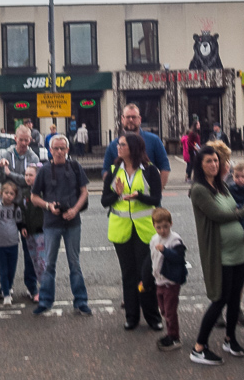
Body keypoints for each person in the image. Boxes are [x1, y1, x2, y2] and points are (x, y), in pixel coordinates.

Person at [189, 145, 244, 365]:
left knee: (235, 298)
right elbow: (218, 215)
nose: (214, 164)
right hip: (222, 254)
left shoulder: (222, 185)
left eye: (216, 161)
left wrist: (243, 211)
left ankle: (230, 338)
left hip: (240, 251)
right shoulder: (199, 190)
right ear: (200, 165)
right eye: (208, 161)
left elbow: (235, 207)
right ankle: (199, 347)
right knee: (220, 300)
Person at [100, 132, 164, 331]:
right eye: (118, 145)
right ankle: (132, 316)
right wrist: (116, 194)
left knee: (146, 275)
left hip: (144, 230)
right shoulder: (113, 171)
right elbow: (104, 201)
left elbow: (156, 200)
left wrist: (138, 196)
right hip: (121, 230)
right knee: (128, 274)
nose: (118, 148)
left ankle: (153, 317)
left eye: (122, 145)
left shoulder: (150, 170)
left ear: (134, 148)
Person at [30, 135, 92, 316]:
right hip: (51, 223)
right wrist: (48, 206)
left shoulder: (75, 166)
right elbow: (34, 197)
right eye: (55, 148)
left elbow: (84, 192)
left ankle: (81, 301)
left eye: (62, 148)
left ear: (67, 150)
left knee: (75, 263)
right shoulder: (44, 170)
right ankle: (45, 301)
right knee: (49, 264)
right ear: (50, 150)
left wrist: (75, 210)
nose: (59, 152)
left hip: (73, 222)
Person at [0, 126, 42, 295]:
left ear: (30, 140)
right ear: (15, 138)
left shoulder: (33, 156)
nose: (23, 143)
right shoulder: (6, 155)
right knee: (6, 252)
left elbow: (29, 181)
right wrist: (2, 169)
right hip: (7, 208)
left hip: (25, 210)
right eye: (21, 139)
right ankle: (5, 286)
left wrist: (10, 173)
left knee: (30, 251)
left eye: (27, 140)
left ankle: (31, 287)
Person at [103, 104, 171, 188]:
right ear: (122, 119)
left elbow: (165, 167)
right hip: (122, 198)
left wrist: (157, 191)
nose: (131, 120)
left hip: (147, 199)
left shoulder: (154, 141)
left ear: (140, 119)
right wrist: (113, 191)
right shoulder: (113, 145)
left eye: (134, 117)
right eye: (128, 117)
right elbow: (106, 171)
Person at [150, 207, 187, 351]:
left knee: (170, 311)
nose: (162, 230)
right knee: (164, 310)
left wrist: (165, 250)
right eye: (158, 227)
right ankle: (170, 331)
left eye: (165, 226)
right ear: (153, 226)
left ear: (171, 224)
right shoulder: (154, 239)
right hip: (158, 280)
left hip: (170, 282)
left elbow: (179, 258)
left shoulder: (175, 240)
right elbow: (152, 259)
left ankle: (174, 337)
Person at [0, 181, 24, 306]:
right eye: (6, 193)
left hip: (13, 242)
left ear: (15, 196)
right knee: (3, 269)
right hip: (0, 243)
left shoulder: (16, 208)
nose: (8, 196)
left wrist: (23, 229)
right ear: (1, 193)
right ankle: (6, 294)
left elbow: (19, 223)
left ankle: (6, 287)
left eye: (11, 194)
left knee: (12, 268)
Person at [20, 165, 46, 302]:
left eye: (31, 175)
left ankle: (44, 289)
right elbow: (22, 212)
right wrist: (22, 226)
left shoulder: (43, 192)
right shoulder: (24, 193)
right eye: (26, 175)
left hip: (41, 232)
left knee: (42, 261)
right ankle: (33, 289)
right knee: (32, 260)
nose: (28, 177)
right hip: (28, 233)